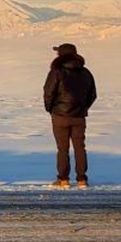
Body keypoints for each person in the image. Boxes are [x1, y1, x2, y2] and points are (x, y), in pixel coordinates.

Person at [43, 42, 97, 188]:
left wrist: (51, 109)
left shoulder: (56, 72)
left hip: (60, 115)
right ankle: (81, 180)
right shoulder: (86, 73)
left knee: (62, 148)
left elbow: (48, 92)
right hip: (79, 116)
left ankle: (63, 179)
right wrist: (82, 108)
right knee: (80, 147)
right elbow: (92, 94)